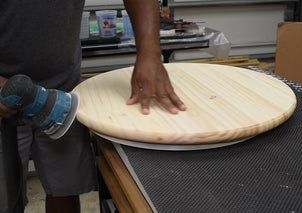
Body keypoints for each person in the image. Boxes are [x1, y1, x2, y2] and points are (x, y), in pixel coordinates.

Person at [0, 0, 186, 212]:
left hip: (62, 90)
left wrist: (149, 53)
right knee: (4, 200)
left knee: (66, 187)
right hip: (3, 91)